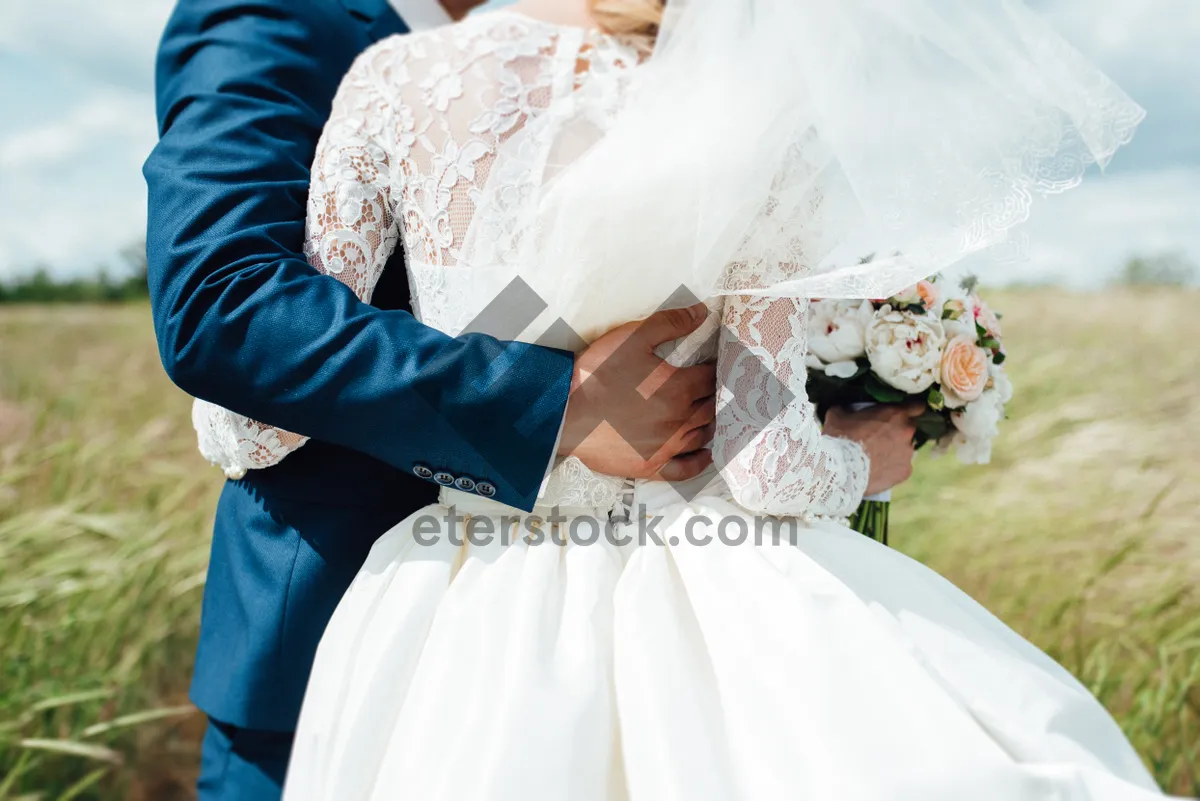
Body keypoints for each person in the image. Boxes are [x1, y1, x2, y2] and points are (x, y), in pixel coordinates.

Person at [197, 0, 1174, 799]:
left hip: (459, 591)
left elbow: (254, 421)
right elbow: (766, 463)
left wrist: (493, 388)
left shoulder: (393, 78)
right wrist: (870, 454)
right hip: (713, 581)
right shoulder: (759, 111)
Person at [143, 0, 720, 798]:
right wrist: (561, 406)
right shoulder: (276, 15)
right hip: (330, 639)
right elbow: (224, 303)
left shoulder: (653, 55)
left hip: (631, 626)